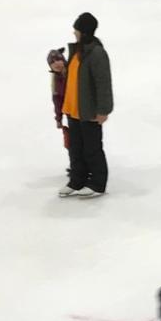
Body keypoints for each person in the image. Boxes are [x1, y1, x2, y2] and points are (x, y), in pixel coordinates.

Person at [57, 12, 114, 197]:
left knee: (91, 148)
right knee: (75, 148)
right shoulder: (76, 51)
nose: (74, 33)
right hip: (72, 109)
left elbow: (103, 83)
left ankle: (97, 183)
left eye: (77, 30)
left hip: (88, 111)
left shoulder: (96, 53)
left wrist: (104, 110)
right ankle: (77, 180)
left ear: (84, 31)